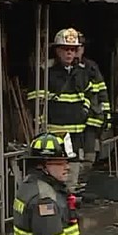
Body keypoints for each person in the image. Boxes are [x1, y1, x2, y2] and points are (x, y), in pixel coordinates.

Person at [26, 28, 91, 192]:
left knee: (72, 173)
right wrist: (41, 125)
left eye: (73, 49)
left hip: (76, 135)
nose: (69, 53)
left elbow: (89, 96)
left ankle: (69, 205)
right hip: (55, 135)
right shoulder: (46, 73)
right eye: (65, 49)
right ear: (57, 50)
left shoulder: (82, 72)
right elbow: (35, 101)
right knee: (54, 173)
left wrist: (84, 112)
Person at [76, 32, 109, 176]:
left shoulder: (91, 67)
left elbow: (102, 90)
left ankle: (84, 178)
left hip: (91, 118)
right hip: (72, 120)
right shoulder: (62, 69)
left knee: (89, 152)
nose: (77, 50)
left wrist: (106, 113)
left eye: (80, 47)